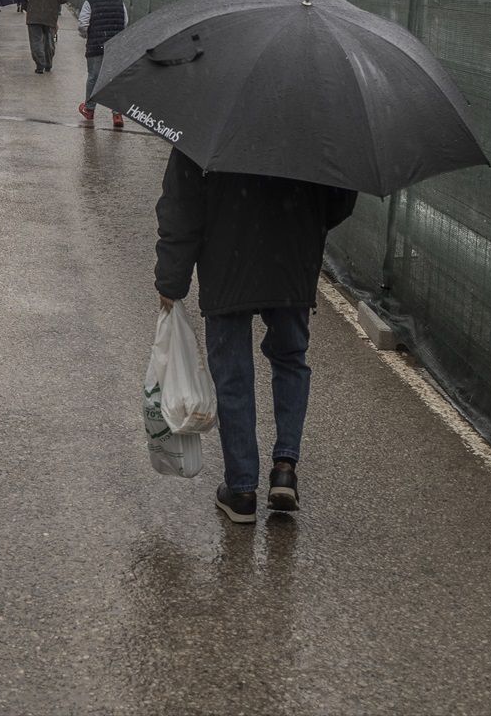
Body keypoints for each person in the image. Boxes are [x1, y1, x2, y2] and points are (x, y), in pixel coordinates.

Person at [152, 150, 357, 523]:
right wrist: (302, 218)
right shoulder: (317, 121)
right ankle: (284, 469)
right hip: (294, 257)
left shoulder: (207, 113)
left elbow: (182, 204)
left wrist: (171, 279)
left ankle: (242, 488)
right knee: (291, 358)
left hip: (227, 259)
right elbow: (340, 199)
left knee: (233, 375)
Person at [77, 0, 127, 130]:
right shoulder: (120, 2)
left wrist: (88, 35)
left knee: (93, 77)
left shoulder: (89, 3)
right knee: (114, 79)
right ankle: (117, 114)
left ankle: (89, 110)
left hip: (96, 46)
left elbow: (83, 25)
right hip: (115, 47)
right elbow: (125, 22)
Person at [20, 0, 67, 74]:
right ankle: (48, 63)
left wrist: (26, 6)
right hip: (50, 15)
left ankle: (40, 64)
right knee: (49, 39)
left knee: (36, 41)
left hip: (33, 15)